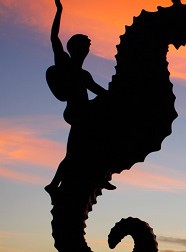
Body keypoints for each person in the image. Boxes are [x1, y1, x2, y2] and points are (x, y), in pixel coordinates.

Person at [45, 0, 116, 195]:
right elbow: (54, 37)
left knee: (77, 150)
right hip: (77, 112)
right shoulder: (64, 63)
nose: (86, 51)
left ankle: (54, 185)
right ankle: (97, 175)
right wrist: (59, 11)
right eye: (84, 47)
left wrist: (116, 95)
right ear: (75, 49)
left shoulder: (84, 75)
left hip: (86, 110)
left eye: (87, 48)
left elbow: (99, 91)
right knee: (84, 147)